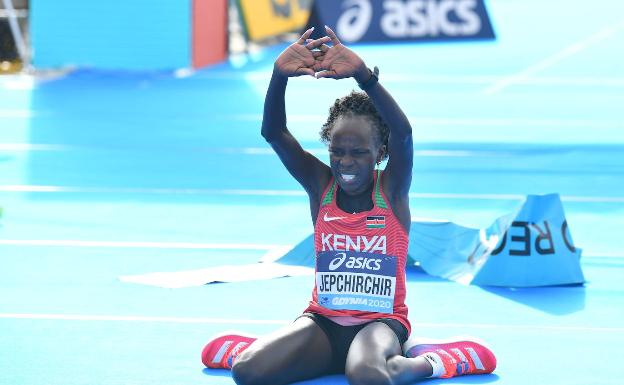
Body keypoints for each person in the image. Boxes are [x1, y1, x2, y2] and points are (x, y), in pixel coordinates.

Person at [201, 26, 497, 385]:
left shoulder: (391, 190)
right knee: (247, 371)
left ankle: (434, 360)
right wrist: (279, 76)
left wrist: (364, 76)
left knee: (368, 376)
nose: (346, 162)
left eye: (359, 153)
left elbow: (403, 134)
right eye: (337, 152)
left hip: (380, 325)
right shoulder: (320, 185)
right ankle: (267, 351)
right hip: (322, 321)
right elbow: (274, 133)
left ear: (380, 154)